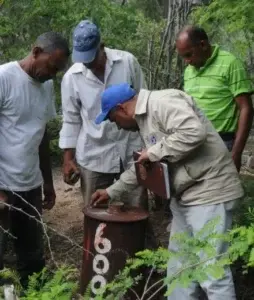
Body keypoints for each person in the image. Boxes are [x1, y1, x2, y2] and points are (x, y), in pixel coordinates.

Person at [91, 83, 244, 300]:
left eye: (114, 120)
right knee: (179, 267)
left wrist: (154, 152)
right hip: (185, 195)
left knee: (211, 270)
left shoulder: (162, 102)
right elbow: (145, 167)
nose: (117, 126)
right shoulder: (145, 122)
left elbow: (193, 132)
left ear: (122, 108)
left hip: (210, 191)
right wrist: (111, 192)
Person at [0, 32, 70, 286]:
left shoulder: (47, 85)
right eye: (52, 66)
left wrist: (47, 182)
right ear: (36, 51)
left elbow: (41, 135)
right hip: (3, 185)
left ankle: (34, 293)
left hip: (30, 184)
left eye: (58, 70)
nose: (54, 74)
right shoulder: (4, 78)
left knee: (32, 256)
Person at [59, 20, 148, 210]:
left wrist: (150, 147)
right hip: (94, 153)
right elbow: (70, 119)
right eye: (83, 59)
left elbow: (143, 104)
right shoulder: (72, 78)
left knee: (137, 211)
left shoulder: (127, 63)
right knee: (95, 211)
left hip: (130, 148)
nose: (88, 63)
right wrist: (68, 158)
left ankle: (138, 241)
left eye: (91, 57)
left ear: (102, 46)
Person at [176, 25, 253, 172]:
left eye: (188, 55)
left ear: (203, 45)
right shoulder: (188, 72)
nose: (186, 61)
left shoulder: (231, 64)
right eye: (183, 57)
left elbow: (246, 108)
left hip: (222, 142)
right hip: (194, 141)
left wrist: (236, 153)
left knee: (222, 193)